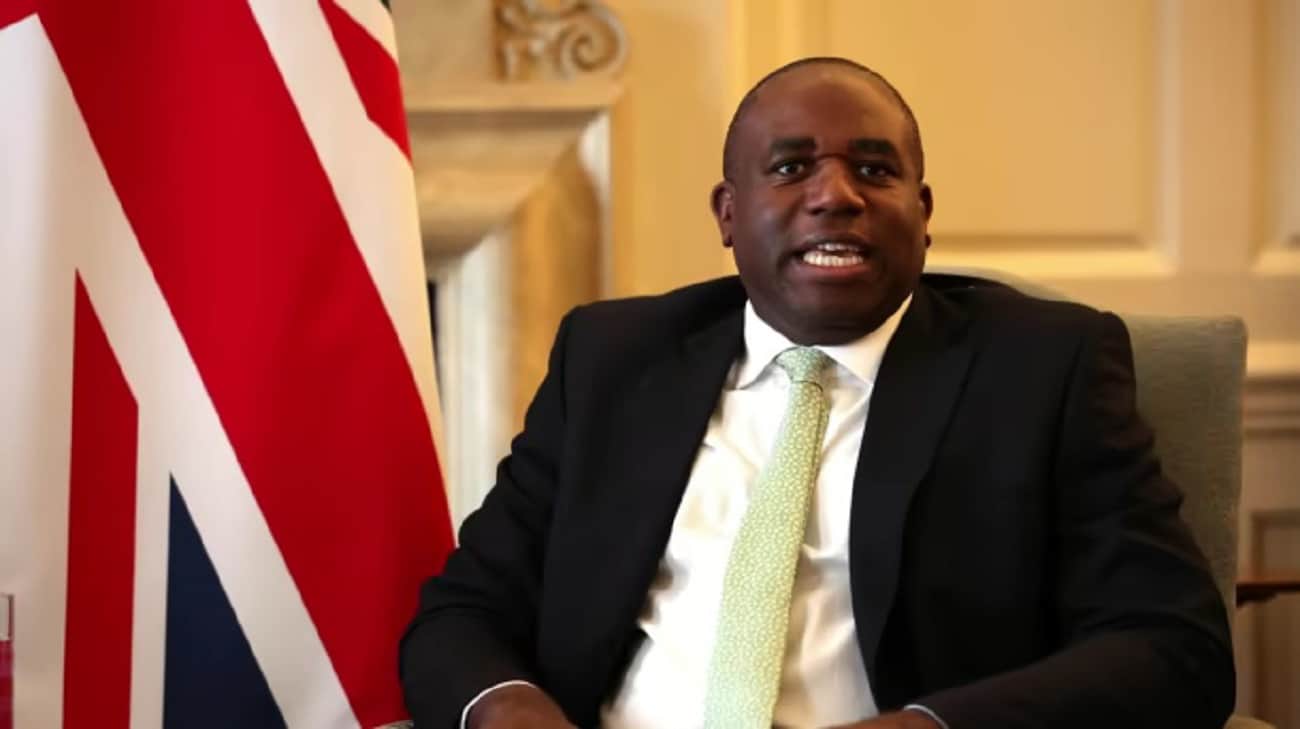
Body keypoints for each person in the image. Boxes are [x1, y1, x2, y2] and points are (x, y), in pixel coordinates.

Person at [400, 57, 1234, 729]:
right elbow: (463, 611)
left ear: (923, 212)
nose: (836, 195)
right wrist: (509, 711)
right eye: (791, 167)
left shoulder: (1042, 369)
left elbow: (1173, 644)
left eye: (874, 169)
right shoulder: (613, 361)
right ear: (729, 214)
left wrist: (926, 725)